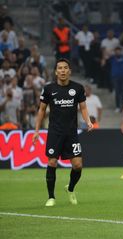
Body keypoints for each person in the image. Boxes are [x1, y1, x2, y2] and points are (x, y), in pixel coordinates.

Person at [32, 58, 93, 207]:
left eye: (65, 68)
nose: (63, 71)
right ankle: (51, 197)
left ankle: (70, 189)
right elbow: (41, 110)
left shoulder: (77, 88)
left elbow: (83, 108)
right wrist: (37, 130)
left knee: (78, 165)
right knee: (52, 162)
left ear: (70, 71)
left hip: (72, 133)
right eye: (60, 68)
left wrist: (89, 121)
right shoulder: (48, 89)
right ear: (56, 72)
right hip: (55, 132)